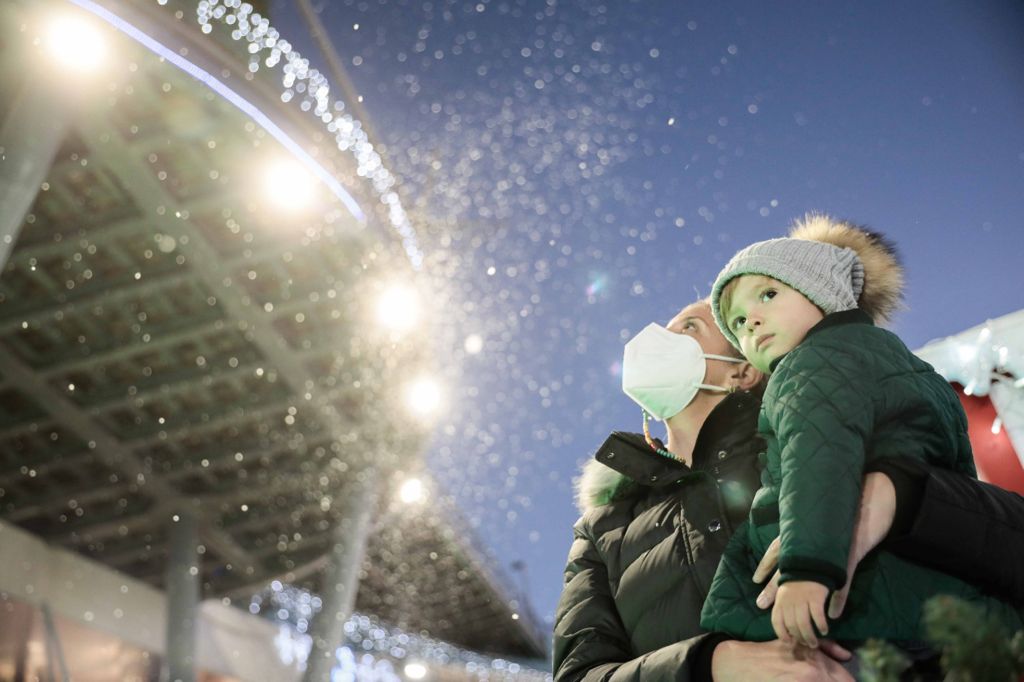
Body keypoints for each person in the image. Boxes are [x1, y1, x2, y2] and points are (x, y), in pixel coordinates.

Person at [552, 293, 1024, 680]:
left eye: (689, 328)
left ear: (742, 370)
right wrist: (709, 664)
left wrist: (900, 497)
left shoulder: (821, 449)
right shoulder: (603, 530)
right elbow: (579, 674)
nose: (658, 341)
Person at [699, 214, 1022, 649]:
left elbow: (817, 457)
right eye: (736, 323)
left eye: (768, 295)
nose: (750, 322)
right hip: (931, 580)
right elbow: (954, 467)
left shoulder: (809, 366)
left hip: (856, 594)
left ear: (822, 292)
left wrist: (807, 567)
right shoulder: (902, 364)